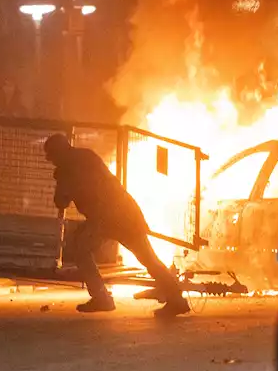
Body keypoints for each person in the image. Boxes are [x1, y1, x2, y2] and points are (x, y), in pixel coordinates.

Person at [43, 133, 189, 316]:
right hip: (124, 212)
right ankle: (176, 299)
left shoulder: (68, 169)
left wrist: (61, 180)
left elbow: (61, 202)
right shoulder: (85, 156)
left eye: (52, 156)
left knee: (80, 248)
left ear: (59, 152)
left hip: (107, 218)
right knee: (147, 258)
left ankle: (101, 297)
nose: (52, 161)